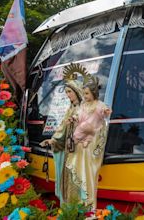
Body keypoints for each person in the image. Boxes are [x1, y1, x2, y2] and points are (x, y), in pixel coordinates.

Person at [65, 75, 111, 209]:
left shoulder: (99, 105)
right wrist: (73, 119)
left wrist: (106, 111)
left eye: (86, 93)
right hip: (81, 144)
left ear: (94, 93)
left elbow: (104, 111)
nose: (84, 96)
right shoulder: (83, 105)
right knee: (80, 169)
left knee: (89, 171)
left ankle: (89, 203)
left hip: (92, 142)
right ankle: (81, 200)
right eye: (83, 93)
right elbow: (78, 115)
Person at [40, 72, 83, 205]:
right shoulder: (70, 109)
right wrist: (52, 140)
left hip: (80, 151)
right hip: (69, 150)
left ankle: (78, 209)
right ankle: (68, 208)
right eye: (66, 92)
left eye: (70, 91)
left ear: (77, 91)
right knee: (66, 180)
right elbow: (62, 128)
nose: (68, 95)